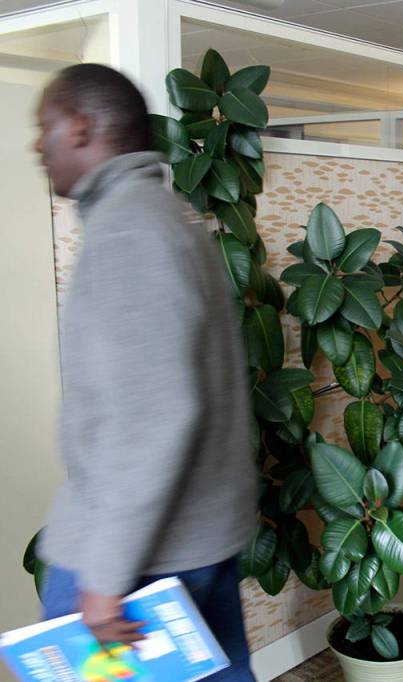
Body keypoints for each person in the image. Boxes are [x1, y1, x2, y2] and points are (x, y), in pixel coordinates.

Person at [34, 64, 258, 680]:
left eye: (44, 126)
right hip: (193, 538)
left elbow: (154, 415)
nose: (36, 144)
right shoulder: (166, 214)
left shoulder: (131, 229)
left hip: (143, 561)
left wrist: (105, 578)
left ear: (80, 128)